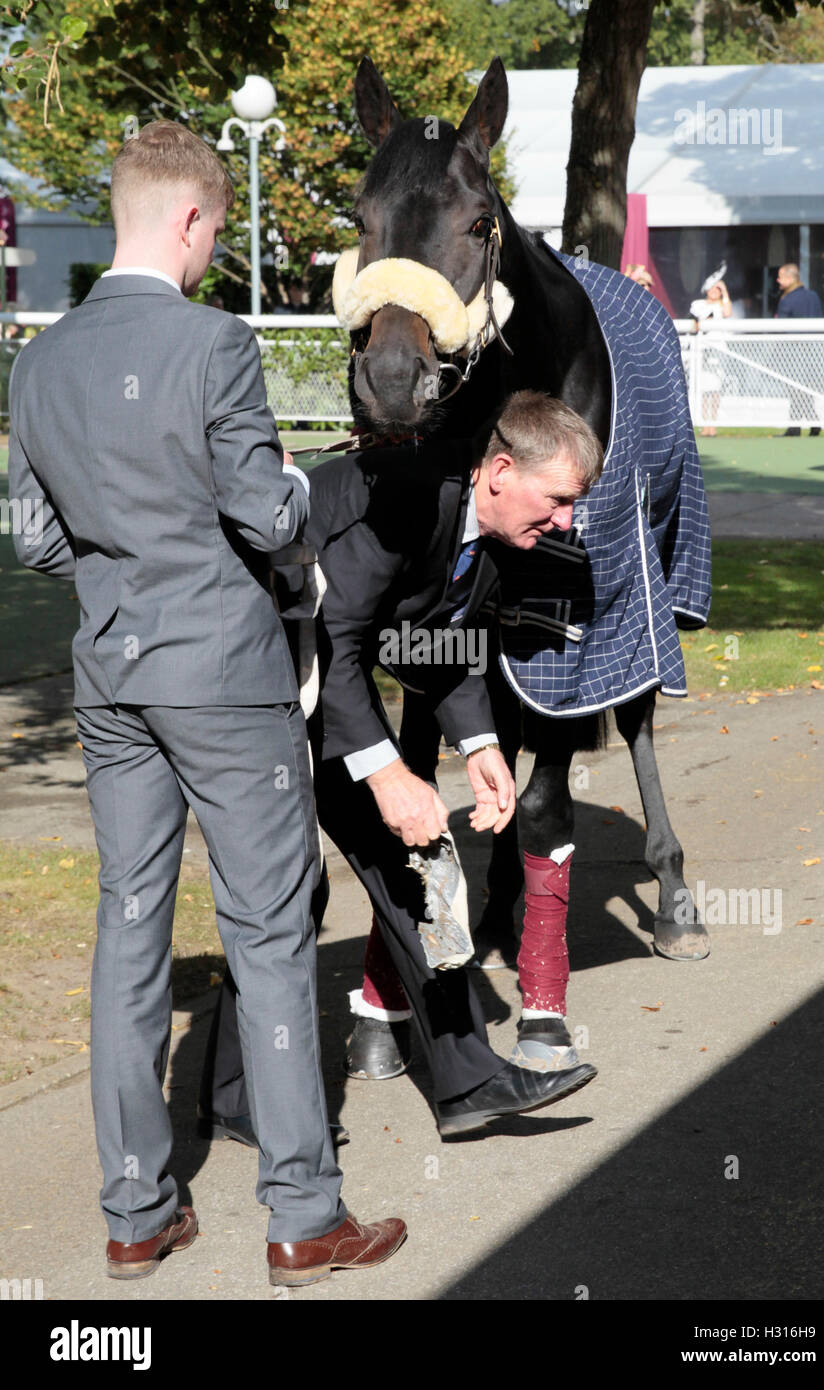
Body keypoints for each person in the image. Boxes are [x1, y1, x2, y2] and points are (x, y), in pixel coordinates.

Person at [7, 119, 406, 1289]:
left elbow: (36, 538)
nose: (211, 256)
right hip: (225, 679)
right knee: (269, 930)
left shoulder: (37, 359)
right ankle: (301, 1212)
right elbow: (270, 519)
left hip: (111, 674)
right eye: (216, 234)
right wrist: (287, 483)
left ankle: (135, 1210)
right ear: (188, 217)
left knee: (128, 924)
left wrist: (125, 567)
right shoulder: (215, 344)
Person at [202, 390, 603, 1139]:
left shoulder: (494, 527)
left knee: (418, 865)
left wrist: (480, 746)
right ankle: (233, 1098)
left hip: (317, 675)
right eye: (556, 500)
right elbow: (336, 639)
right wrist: (388, 773)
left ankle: (468, 1081)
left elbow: (438, 642)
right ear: (500, 470)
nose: (564, 523)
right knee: (287, 891)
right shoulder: (412, 495)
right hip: (251, 674)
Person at [775, 264, 823, 437]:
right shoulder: (813, 296)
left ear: (790, 278)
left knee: (795, 389)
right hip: (812, 351)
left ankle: (798, 426)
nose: (778, 280)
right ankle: (810, 423)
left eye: (780, 276)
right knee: (803, 389)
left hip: (793, 351)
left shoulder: (787, 300)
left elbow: (782, 328)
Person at [690, 269, 732, 437]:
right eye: (713, 288)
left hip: (718, 350)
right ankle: (704, 422)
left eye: (718, 289)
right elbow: (695, 320)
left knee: (715, 389)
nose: (715, 292)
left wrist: (725, 291)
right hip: (702, 350)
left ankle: (712, 423)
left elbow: (728, 312)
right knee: (703, 387)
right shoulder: (698, 304)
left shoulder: (722, 306)